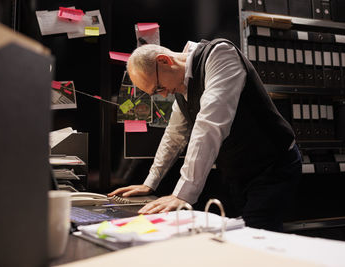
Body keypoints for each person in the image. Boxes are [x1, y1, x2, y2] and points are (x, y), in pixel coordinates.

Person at [108, 38, 301, 232]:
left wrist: (182, 195)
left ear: (164, 61)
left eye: (158, 88)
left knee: (257, 237)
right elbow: (174, 136)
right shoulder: (182, 85)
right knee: (235, 236)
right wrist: (150, 183)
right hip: (239, 171)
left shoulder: (220, 55)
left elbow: (209, 125)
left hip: (272, 166)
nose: (164, 95)